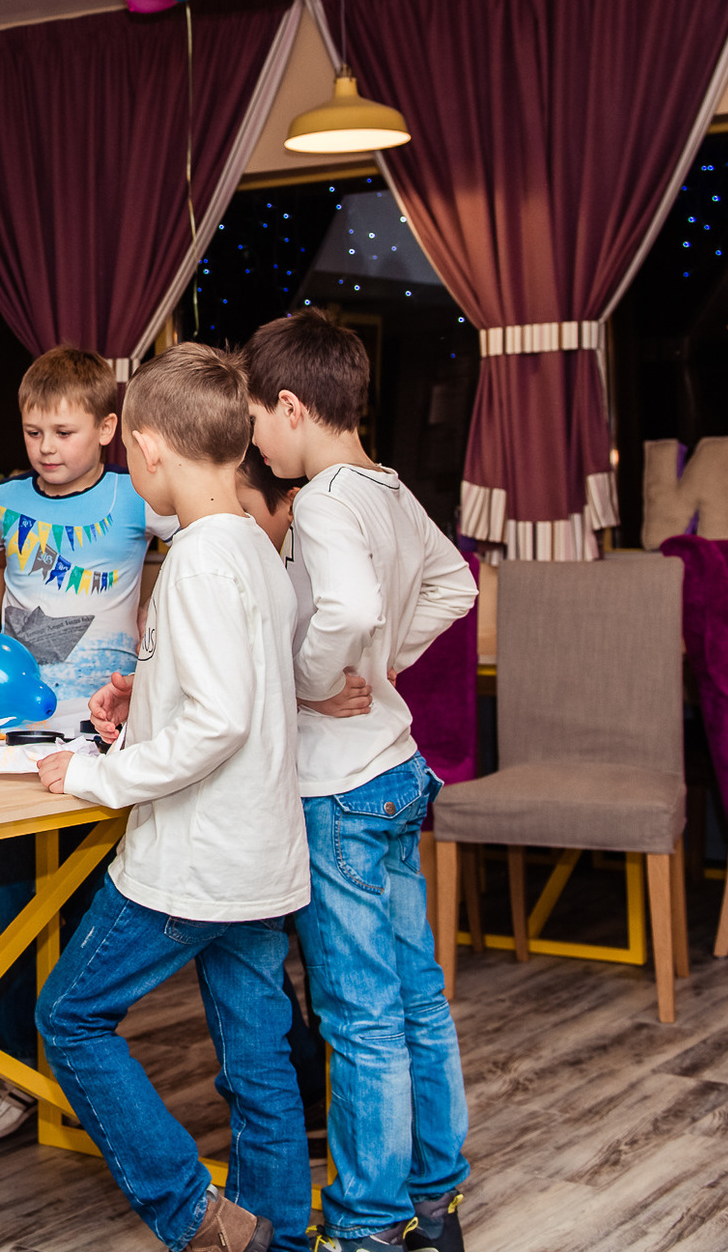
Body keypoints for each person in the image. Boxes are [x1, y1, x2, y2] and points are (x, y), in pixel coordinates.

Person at [32, 343, 311, 1252]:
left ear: (146, 448)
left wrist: (94, 775)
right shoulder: (255, 551)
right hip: (262, 854)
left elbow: (221, 720)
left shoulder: (194, 560)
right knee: (258, 1062)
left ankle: (194, 1215)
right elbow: (235, 693)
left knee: (69, 1016)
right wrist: (141, 701)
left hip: (192, 859)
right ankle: (273, 1235)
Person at [244, 309, 480, 1252]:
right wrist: (380, 667)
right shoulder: (386, 486)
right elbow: (455, 583)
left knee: (359, 1016)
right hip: (396, 769)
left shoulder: (330, 499)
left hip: (339, 785)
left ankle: (370, 1224)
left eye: (258, 418)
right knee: (416, 996)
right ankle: (437, 1204)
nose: (255, 440)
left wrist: (317, 681)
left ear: (293, 407)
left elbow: (343, 606)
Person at [0, 345, 177, 1145]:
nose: (46, 447)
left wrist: (158, 641)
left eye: (63, 431)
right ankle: (12, 1072)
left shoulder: (137, 499)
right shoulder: (7, 500)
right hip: (10, 732)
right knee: (4, 905)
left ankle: (78, 1073)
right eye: (32, 431)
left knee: (86, 910)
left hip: (102, 736)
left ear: (108, 428)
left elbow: (192, 553)